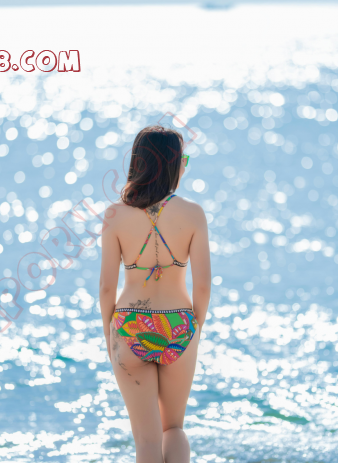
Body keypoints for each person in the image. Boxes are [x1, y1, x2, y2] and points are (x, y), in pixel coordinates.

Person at [99, 124, 211, 462]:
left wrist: (109, 334)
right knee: (173, 429)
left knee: (146, 441)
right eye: (183, 160)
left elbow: (106, 287)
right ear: (173, 164)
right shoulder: (193, 214)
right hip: (179, 324)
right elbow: (203, 285)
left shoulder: (114, 215)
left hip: (130, 325)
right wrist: (194, 328)